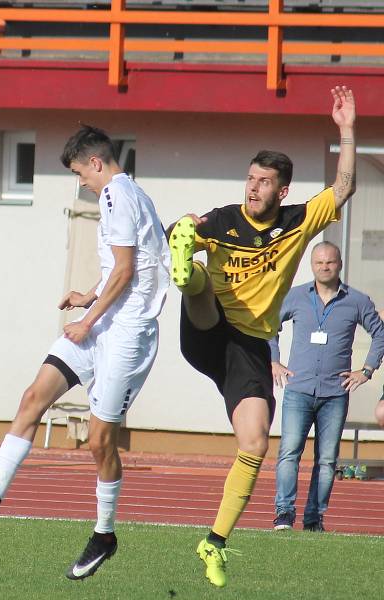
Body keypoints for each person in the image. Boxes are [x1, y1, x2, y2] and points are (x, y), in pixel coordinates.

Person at [0, 125, 170, 580]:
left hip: (127, 335)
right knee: (34, 397)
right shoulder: (122, 196)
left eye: (78, 172)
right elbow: (122, 268)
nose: (79, 183)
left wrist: (87, 320)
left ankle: (104, 534)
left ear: (97, 162)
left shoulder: (118, 196)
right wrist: (88, 299)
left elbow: (127, 271)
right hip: (103, 322)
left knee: (99, 440)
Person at [167, 85, 356, 587]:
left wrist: (347, 131)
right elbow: (181, 227)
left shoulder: (297, 222)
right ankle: (186, 273)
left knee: (254, 443)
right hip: (208, 329)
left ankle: (214, 543)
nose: (252, 187)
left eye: (263, 181)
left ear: (282, 191)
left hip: (249, 350)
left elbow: (342, 190)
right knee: (199, 282)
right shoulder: (225, 218)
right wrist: (182, 232)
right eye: (250, 178)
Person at [270, 241, 384, 532]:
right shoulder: (295, 297)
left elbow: (380, 334)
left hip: (335, 393)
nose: (324, 267)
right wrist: (273, 361)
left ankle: (314, 519)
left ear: (339, 264)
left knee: (326, 459)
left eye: (330, 262)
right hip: (298, 389)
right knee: (289, 452)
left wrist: (366, 371)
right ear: (312, 265)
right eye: (319, 262)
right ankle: (284, 514)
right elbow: (268, 326)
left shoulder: (357, 301)